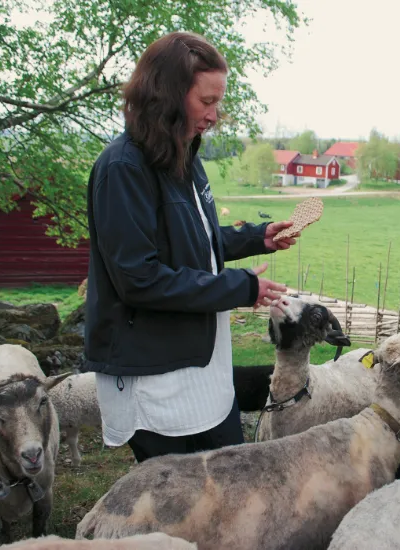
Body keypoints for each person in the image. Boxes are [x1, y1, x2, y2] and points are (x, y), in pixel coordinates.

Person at [83, 32, 298, 463]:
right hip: (155, 371)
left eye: (218, 102)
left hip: (197, 362)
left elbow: (192, 240)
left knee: (229, 484)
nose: (215, 115)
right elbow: (139, 280)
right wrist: (240, 289)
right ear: (167, 95)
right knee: (181, 501)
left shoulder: (181, 157)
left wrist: (257, 238)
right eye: (206, 101)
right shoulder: (124, 169)